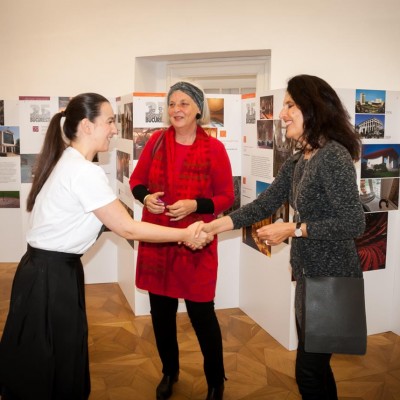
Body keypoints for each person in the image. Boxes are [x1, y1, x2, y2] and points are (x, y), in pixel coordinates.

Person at [0, 93, 211, 400]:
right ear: (87, 125)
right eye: (110, 121)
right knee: (50, 363)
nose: (114, 129)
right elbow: (126, 227)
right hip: (51, 278)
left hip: (45, 272)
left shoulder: (70, 161)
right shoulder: (84, 171)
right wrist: (185, 235)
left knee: (43, 358)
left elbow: (109, 222)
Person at [195, 75, 366, 400]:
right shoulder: (300, 159)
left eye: (290, 105)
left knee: (308, 372)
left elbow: (353, 223)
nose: (282, 114)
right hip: (309, 275)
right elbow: (265, 203)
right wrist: (215, 226)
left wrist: (293, 228)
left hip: (332, 279)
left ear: (313, 108)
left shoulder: (333, 157)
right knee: (318, 368)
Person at [129, 81, 234, 400]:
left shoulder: (214, 148)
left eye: (184, 103)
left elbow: (226, 197)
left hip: (196, 241)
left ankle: (215, 381)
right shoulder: (156, 142)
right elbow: (137, 181)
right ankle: (169, 372)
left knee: (203, 316)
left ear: (199, 109)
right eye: (172, 103)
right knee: (161, 315)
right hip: (158, 238)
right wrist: (146, 198)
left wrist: (195, 205)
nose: (176, 109)